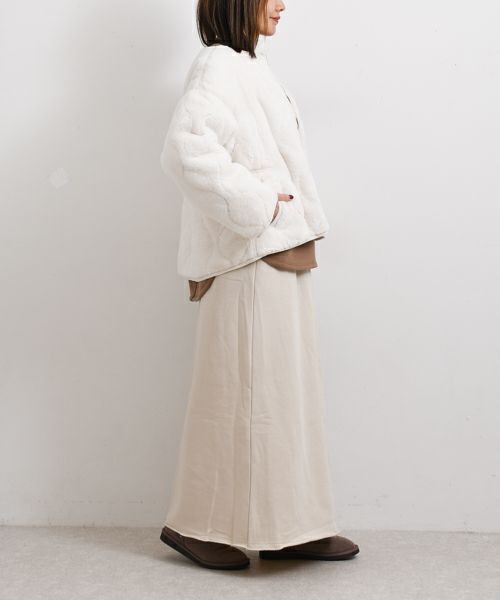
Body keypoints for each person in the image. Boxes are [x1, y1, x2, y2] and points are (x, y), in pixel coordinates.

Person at [159, 0, 359, 570]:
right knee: (239, 398)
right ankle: (196, 524)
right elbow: (185, 151)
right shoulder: (218, 66)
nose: (281, 4)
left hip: (275, 248)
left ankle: (291, 526)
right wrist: (259, 204)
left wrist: (275, 212)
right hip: (249, 254)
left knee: (281, 398)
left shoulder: (250, 66)